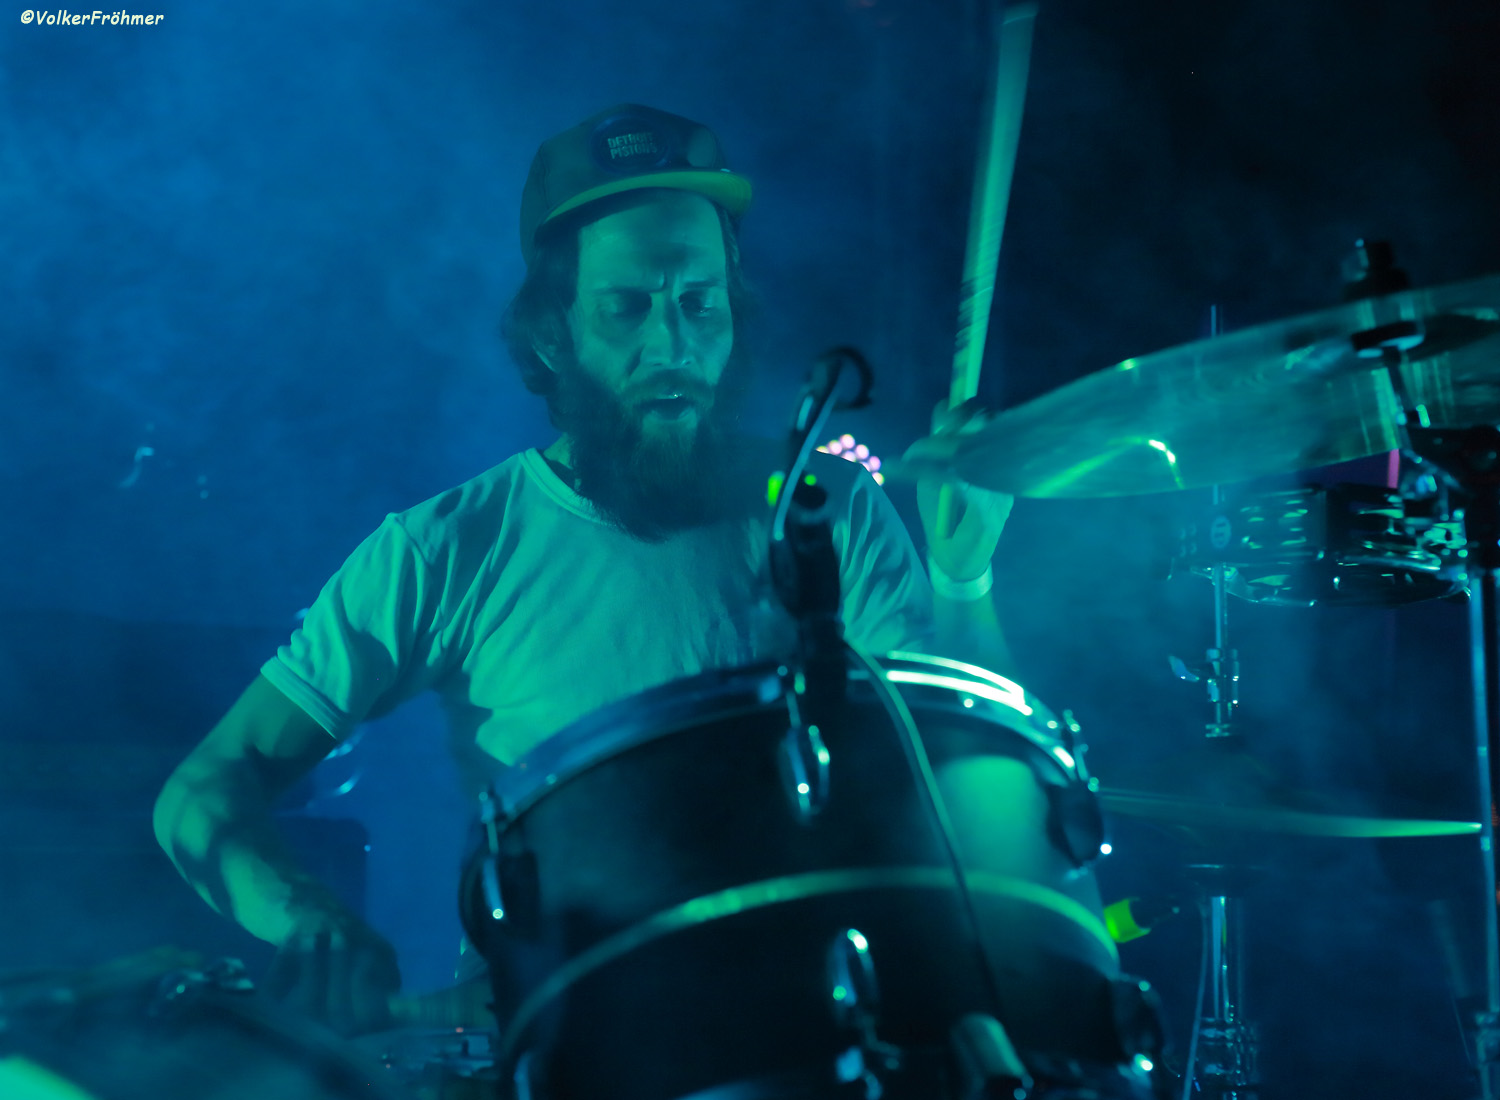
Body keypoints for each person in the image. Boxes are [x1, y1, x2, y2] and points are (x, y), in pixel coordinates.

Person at [152, 104, 1016, 1038]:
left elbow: (972, 792)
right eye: (626, 306)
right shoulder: (449, 547)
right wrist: (308, 917)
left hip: (823, 1024)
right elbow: (205, 788)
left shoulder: (829, 511)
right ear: (551, 334)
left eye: (700, 303)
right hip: (571, 1041)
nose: (672, 345)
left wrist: (964, 580)